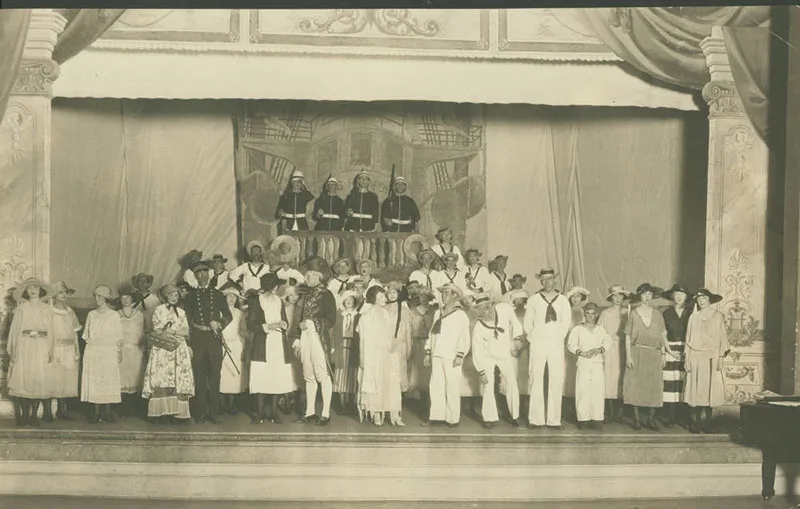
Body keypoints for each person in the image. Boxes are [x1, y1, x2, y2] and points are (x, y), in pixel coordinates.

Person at [624, 283, 679, 431]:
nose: (647, 297)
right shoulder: (634, 314)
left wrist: (665, 353)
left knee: (654, 387)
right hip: (637, 352)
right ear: (640, 296)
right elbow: (628, 337)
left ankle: (650, 419)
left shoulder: (657, 314)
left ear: (653, 296)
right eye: (644, 294)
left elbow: (662, 336)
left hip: (654, 354)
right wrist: (628, 356)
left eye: (650, 294)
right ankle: (636, 420)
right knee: (635, 386)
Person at [183, 260, 232, 424]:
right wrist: (188, 342)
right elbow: (186, 320)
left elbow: (228, 316)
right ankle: (201, 412)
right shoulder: (190, 297)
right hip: (197, 338)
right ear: (195, 277)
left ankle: (214, 412)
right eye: (199, 273)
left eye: (205, 272)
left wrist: (220, 323)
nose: (202, 276)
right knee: (199, 375)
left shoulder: (217, 295)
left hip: (213, 338)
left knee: (215, 375)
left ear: (209, 275)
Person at [524, 268, 571, 429]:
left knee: (556, 378)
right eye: (544, 279)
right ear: (541, 281)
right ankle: (535, 419)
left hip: (555, 342)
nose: (547, 282)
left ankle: (554, 419)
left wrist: (557, 335)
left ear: (554, 280)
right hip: (538, 342)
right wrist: (534, 336)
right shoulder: (534, 299)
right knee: (535, 377)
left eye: (550, 279)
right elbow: (528, 323)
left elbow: (566, 322)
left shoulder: (563, 300)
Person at [141, 284, 195, 423]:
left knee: (178, 378)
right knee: (162, 377)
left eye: (176, 295)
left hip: (179, 348)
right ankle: (160, 412)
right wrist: (168, 332)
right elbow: (157, 329)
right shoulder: (159, 310)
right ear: (165, 296)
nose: (174, 298)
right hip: (162, 348)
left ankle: (177, 413)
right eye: (171, 295)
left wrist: (174, 332)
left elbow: (186, 331)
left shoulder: (181, 312)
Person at [248, 273, 296, 424]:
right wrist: (268, 326)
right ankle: (259, 413)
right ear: (268, 286)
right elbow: (251, 324)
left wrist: (283, 324)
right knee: (261, 378)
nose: (277, 288)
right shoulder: (256, 301)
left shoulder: (279, 301)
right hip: (262, 345)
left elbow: (285, 320)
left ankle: (274, 413)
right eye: (275, 285)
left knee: (276, 378)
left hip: (278, 345)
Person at [7, 278, 55, 427]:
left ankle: (34, 415)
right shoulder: (21, 308)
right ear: (26, 292)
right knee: (24, 379)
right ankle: (24, 415)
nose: (33, 290)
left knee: (37, 380)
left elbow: (51, 330)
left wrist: (50, 349)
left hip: (40, 346)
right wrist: (13, 350)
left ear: (41, 290)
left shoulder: (47, 309)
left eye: (36, 287)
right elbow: (14, 331)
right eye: (29, 288)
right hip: (24, 345)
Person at [292, 270, 337, 426]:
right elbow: (302, 318)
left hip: (319, 338)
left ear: (318, 277)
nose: (306, 279)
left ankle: (325, 414)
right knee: (308, 375)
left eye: (309, 276)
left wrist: (311, 323)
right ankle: (310, 412)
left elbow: (331, 319)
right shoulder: (307, 295)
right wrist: (298, 336)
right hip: (306, 337)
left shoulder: (327, 294)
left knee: (322, 375)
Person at [423, 283, 471, 428]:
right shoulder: (438, 313)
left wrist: (460, 354)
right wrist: (428, 351)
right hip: (437, 354)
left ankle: (452, 418)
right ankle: (436, 416)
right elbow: (432, 333)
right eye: (442, 293)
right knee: (435, 385)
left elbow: (464, 336)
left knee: (452, 386)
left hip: (452, 355)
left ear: (455, 296)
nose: (443, 296)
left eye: (447, 294)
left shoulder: (460, 315)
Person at [683, 288, 730, 434]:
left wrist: (720, 358)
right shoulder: (693, 317)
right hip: (695, 357)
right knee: (695, 390)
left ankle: (707, 423)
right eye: (699, 299)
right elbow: (688, 339)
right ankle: (695, 422)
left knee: (710, 390)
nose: (701, 301)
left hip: (712, 357)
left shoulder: (717, 316)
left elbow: (722, 338)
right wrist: (687, 359)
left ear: (709, 299)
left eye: (704, 298)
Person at [471, 294, 520, 429]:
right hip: (488, 358)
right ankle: (489, 417)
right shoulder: (478, 327)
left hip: (504, 356)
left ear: (492, 305)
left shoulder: (504, 309)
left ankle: (514, 415)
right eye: (480, 309)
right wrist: (481, 371)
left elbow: (515, 322)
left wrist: (516, 338)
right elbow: (477, 350)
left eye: (486, 307)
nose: (484, 311)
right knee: (487, 385)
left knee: (512, 383)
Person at [357, 286, 404, 426]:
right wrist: (362, 358)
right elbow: (363, 340)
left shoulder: (386, 314)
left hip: (387, 354)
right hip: (373, 355)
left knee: (391, 382)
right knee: (375, 382)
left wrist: (393, 346)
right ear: (375, 298)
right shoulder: (366, 316)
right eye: (382, 296)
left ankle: (394, 414)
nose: (385, 298)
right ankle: (376, 413)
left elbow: (389, 334)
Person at [81, 285, 124, 424]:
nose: (96, 298)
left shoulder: (114, 315)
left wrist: (119, 352)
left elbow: (118, 337)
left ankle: (107, 411)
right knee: (94, 380)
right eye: (95, 296)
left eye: (99, 296)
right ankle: (96, 412)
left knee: (108, 380)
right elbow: (86, 335)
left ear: (106, 298)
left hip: (109, 351)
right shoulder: (91, 315)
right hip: (93, 351)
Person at [567, 302, 613, 430]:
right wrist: (581, 352)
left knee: (597, 391)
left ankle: (597, 419)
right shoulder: (577, 329)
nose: (590, 316)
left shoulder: (600, 329)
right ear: (584, 314)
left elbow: (608, 341)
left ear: (596, 314)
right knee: (583, 390)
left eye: (593, 314)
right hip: (583, 362)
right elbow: (571, 345)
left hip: (597, 362)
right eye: (588, 313)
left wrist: (599, 350)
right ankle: (583, 419)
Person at [47, 281, 81, 421]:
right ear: (54, 295)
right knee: (53, 378)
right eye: (60, 292)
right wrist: (49, 350)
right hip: (55, 348)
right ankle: (48, 411)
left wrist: (77, 350)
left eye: (65, 292)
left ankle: (62, 410)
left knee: (66, 379)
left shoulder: (70, 311)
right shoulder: (49, 311)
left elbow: (75, 333)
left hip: (69, 349)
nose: (63, 295)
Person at [598, 284, 630, 424]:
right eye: (615, 296)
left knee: (621, 378)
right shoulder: (605, 314)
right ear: (611, 298)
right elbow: (600, 332)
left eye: (620, 295)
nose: (618, 298)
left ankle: (620, 414)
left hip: (623, 348)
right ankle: (609, 413)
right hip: (610, 349)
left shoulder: (628, 312)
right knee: (609, 379)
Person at [662, 284, 693, 428]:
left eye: (682, 295)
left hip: (687, 350)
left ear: (686, 297)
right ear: (672, 297)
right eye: (676, 295)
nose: (679, 297)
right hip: (671, 349)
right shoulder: (667, 313)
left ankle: (683, 417)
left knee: (684, 382)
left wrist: (687, 351)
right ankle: (670, 417)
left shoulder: (691, 313)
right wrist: (668, 350)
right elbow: (663, 334)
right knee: (670, 384)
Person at [117, 284, 146, 418]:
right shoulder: (116, 315)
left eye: (128, 297)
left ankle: (134, 408)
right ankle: (123, 409)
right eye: (123, 298)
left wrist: (142, 348)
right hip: (122, 350)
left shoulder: (139, 315)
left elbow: (143, 333)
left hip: (136, 350)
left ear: (133, 299)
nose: (126, 300)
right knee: (122, 378)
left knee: (135, 378)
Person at [219, 284, 247, 416]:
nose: (231, 299)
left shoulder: (239, 313)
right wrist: (221, 341)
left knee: (234, 375)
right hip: (221, 345)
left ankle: (231, 405)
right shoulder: (219, 312)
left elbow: (243, 331)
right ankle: (221, 404)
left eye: (234, 297)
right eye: (229, 296)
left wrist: (242, 346)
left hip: (236, 346)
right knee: (222, 375)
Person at [332, 290, 361, 416]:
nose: (349, 302)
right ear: (343, 301)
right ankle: (342, 405)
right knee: (340, 374)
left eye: (351, 299)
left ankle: (351, 405)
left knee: (352, 375)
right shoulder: (339, 316)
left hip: (353, 348)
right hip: (341, 347)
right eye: (347, 299)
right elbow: (334, 333)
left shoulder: (359, 316)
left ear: (355, 302)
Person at [563, 286, 590, 422]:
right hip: (567, 348)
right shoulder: (565, 311)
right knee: (566, 377)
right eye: (573, 296)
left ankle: (580, 410)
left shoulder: (585, 312)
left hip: (581, 349)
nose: (575, 299)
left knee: (580, 378)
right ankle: (566, 410)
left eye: (578, 296)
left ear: (582, 298)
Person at [408, 291, 436, 407]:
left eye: (426, 296)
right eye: (421, 296)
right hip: (416, 341)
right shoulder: (412, 311)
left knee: (427, 369)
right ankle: (416, 393)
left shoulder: (433, 311)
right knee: (416, 368)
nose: (424, 298)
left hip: (428, 342)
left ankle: (427, 393)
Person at [505, 289, 531, 419]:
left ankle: (525, 410)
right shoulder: (509, 315)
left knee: (525, 379)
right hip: (511, 348)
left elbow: (531, 335)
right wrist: (512, 348)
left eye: (521, 300)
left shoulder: (529, 315)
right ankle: (512, 411)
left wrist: (522, 348)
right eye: (516, 301)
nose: (519, 303)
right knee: (511, 378)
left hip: (526, 348)